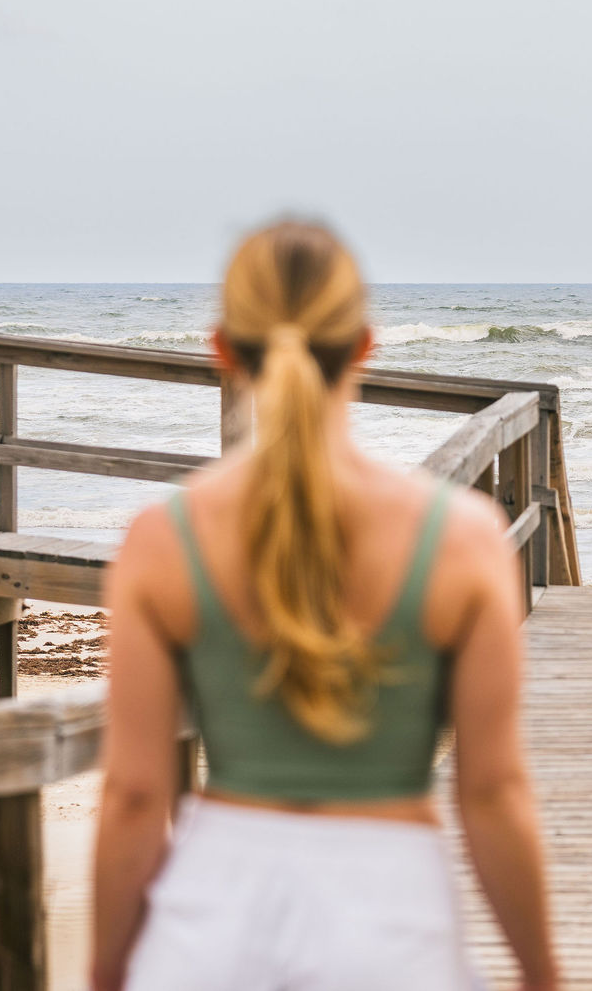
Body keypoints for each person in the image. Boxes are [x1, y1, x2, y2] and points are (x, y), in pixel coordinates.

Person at [91, 220, 560, 991]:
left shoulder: (163, 540)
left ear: (222, 349)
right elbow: (491, 791)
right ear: (366, 344)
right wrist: (543, 973)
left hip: (210, 925)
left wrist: (105, 973)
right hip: (392, 924)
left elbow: (136, 796)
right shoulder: (461, 540)